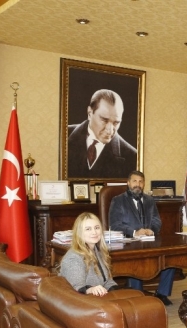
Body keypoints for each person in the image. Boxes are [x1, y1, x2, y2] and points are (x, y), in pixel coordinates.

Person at [109, 170, 175, 305]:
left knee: (170, 258)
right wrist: (135, 232)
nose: (137, 185)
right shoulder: (118, 200)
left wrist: (152, 230)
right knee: (136, 260)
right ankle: (137, 295)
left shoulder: (150, 200)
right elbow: (114, 225)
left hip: (149, 241)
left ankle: (162, 294)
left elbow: (157, 220)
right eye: (134, 181)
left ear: (144, 184)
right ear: (128, 183)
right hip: (128, 242)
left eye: (140, 182)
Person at [67, 89, 137, 179]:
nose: (110, 130)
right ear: (89, 113)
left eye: (116, 123)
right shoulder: (62, 136)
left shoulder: (133, 157)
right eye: (104, 120)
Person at [59, 212, 119, 296]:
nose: (94, 232)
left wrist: (117, 291)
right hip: (79, 300)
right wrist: (91, 289)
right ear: (79, 233)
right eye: (88, 229)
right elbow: (76, 289)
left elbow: (107, 281)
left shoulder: (98, 251)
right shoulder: (73, 257)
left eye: (97, 228)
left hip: (97, 298)